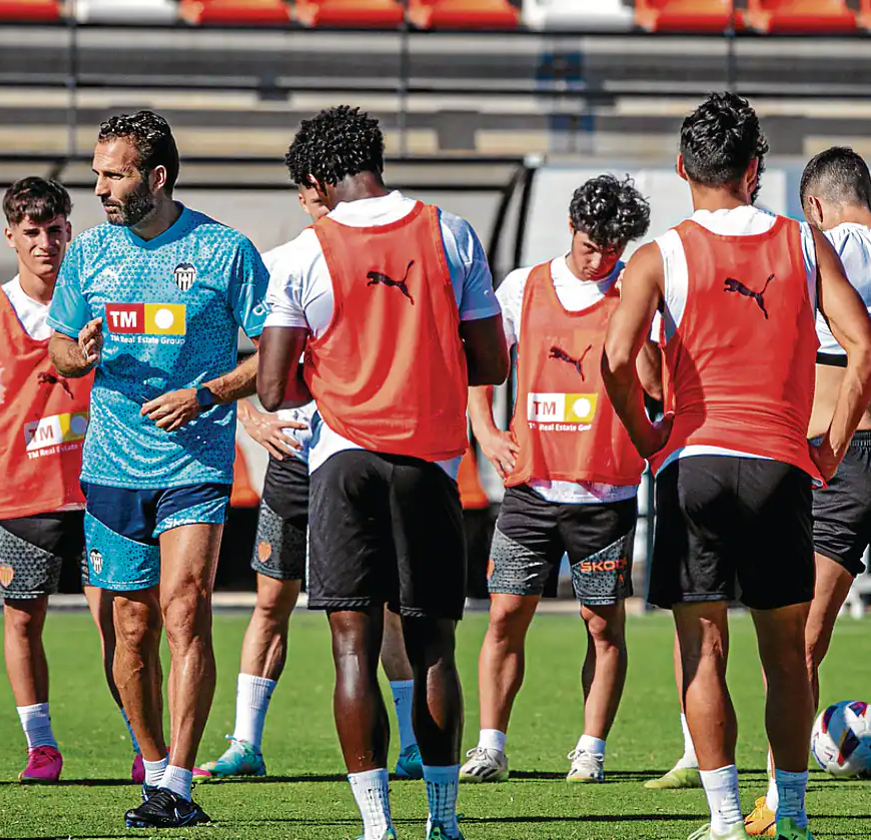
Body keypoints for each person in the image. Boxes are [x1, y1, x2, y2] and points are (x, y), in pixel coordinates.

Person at [602, 92, 871, 840]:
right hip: (780, 465)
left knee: (704, 649)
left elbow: (613, 358)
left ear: (682, 167)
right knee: (786, 655)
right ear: (756, 167)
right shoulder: (801, 243)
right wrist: (830, 444)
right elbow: (866, 350)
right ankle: (789, 816)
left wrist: (650, 435)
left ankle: (726, 818)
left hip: (694, 463)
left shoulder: (662, 254)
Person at [258, 105, 508, 840]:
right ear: (377, 158)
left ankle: (376, 827)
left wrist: (330, 375)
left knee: (351, 648)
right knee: (433, 646)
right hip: (429, 463)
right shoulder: (451, 232)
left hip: (342, 462)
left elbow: (273, 389)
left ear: (314, 180)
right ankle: (443, 822)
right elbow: (492, 362)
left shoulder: (305, 252)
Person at [47, 110, 269, 828]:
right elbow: (59, 348)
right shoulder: (86, 256)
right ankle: (153, 764)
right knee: (131, 631)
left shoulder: (223, 251)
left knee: (184, 605)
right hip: (112, 463)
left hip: (196, 459)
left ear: (158, 177)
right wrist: (77, 356)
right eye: (96, 175)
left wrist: (206, 393)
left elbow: (277, 350)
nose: (100, 189)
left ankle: (178, 782)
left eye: (114, 174)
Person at [202, 187, 423, 782]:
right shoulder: (280, 262)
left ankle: (410, 745)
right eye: (323, 195)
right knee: (271, 601)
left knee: (385, 608)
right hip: (296, 460)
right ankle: (245, 743)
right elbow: (221, 350)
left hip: (357, 458)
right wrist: (251, 417)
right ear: (307, 198)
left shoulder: (384, 258)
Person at [460, 175, 655, 787]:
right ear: (572, 228)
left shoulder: (635, 288)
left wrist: (637, 318)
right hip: (531, 487)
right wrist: (487, 433)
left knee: (603, 625)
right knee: (505, 616)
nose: (601, 258)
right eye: (592, 245)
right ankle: (491, 746)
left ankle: (590, 750)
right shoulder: (524, 286)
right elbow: (484, 365)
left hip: (607, 491)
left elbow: (655, 381)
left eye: (613, 248)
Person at [740, 148, 871, 829]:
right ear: (866, 196)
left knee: (802, 642)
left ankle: (785, 797)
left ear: (813, 204)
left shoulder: (803, 248)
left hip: (833, 459)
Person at [0, 177, 93, 783]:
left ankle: (147, 745)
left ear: (71, 231)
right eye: (32, 232)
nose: (45, 243)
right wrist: (14, 456)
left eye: (55, 230)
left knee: (123, 619)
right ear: (11, 236)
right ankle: (41, 746)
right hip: (22, 497)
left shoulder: (98, 307)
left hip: (98, 490)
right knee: (22, 620)